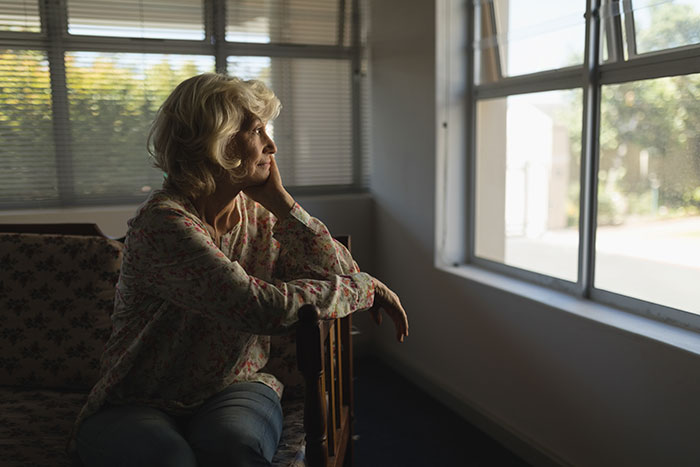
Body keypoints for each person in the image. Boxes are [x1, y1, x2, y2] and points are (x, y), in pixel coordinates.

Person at [72, 73, 409, 467]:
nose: (272, 145)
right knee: (170, 460)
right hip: (137, 398)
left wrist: (283, 203)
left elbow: (337, 270)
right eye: (257, 131)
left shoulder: (259, 215)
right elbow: (259, 307)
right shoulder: (164, 223)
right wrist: (366, 288)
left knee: (234, 449)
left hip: (235, 385)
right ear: (219, 142)